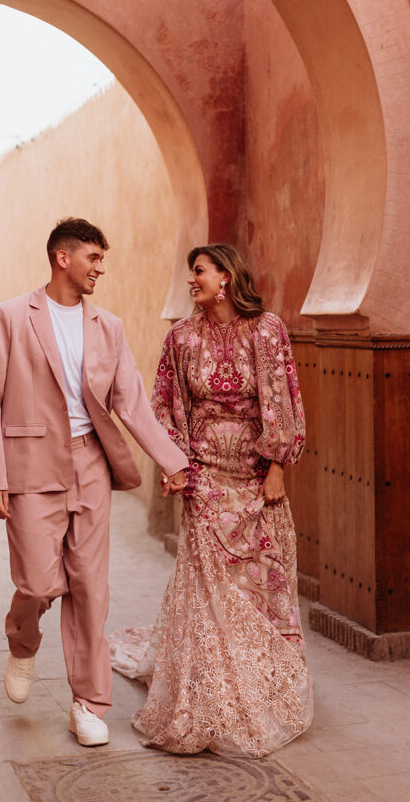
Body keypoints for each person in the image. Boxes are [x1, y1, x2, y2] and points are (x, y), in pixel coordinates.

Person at [0, 217, 188, 747]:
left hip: (89, 464)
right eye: (93, 258)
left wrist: (171, 459)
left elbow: (130, 401)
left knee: (91, 587)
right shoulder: (10, 317)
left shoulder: (107, 326)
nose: (101, 268)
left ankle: (88, 704)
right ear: (62, 258)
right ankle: (22, 642)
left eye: (102, 259)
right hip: (29, 467)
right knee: (39, 582)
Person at [110, 243, 313, 758]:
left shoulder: (267, 330)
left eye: (198, 271)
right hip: (203, 480)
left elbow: (283, 399)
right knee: (208, 589)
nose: (191, 281)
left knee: (258, 585)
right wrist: (175, 465)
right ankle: (211, 697)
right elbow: (163, 406)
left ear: (227, 276)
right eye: (190, 273)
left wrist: (276, 469)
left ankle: (261, 687)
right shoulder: (181, 337)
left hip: (255, 477)